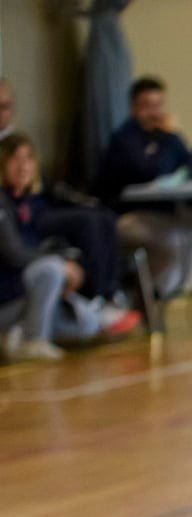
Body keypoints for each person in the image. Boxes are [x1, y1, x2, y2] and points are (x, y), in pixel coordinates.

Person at [95, 75, 192, 305]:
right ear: (134, 108)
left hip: (165, 214)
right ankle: (150, 297)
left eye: (158, 105)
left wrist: (174, 137)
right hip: (127, 217)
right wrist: (169, 137)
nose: (154, 112)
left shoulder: (168, 137)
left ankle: (182, 289)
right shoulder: (123, 139)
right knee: (173, 241)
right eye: (147, 106)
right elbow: (149, 171)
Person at [0, 135, 137, 359]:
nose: (23, 166)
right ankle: (33, 340)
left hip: (25, 293)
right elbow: (13, 254)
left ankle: (99, 302)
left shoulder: (29, 202)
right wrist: (60, 267)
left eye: (28, 158)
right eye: (14, 159)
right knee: (51, 268)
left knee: (88, 325)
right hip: (8, 297)